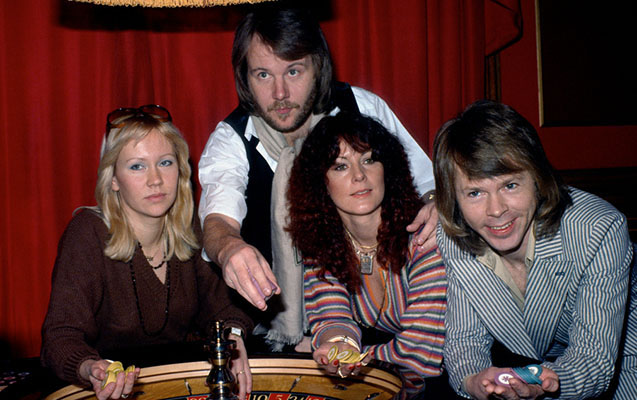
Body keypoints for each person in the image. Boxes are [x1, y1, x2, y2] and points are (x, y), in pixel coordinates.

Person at [198, 4, 438, 351]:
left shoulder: (361, 107)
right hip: (273, 334)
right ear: (245, 78)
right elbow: (217, 222)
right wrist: (229, 248)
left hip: (378, 324)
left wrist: (435, 205)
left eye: (293, 71)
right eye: (263, 75)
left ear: (319, 67)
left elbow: (428, 185)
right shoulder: (231, 139)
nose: (280, 93)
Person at [41, 105, 253, 400]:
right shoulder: (87, 233)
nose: (155, 179)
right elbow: (60, 337)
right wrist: (90, 368)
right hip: (107, 392)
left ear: (180, 170)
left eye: (165, 162)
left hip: (177, 384)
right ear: (113, 179)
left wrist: (233, 337)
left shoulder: (192, 226)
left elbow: (225, 310)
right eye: (137, 166)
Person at [433, 99, 635, 399]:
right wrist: (474, 381)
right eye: (475, 192)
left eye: (510, 185)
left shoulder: (597, 229)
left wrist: (541, 383)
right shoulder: (454, 238)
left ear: (537, 178)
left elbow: (593, 361)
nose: (496, 210)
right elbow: (465, 341)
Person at [285, 112, 447, 399]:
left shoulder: (424, 237)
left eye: (369, 160)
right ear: (321, 183)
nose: (359, 175)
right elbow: (332, 318)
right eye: (340, 166)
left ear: (388, 169)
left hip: (465, 380)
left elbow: (419, 355)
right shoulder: (324, 245)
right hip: (396, 382)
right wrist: (338, 345)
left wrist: (355, 356)